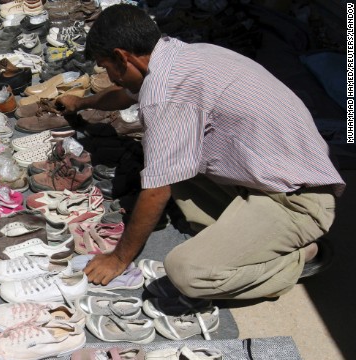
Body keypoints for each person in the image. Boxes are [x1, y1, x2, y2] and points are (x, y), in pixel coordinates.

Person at [56, 4, 345, 300]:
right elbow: (125, 93)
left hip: (299, 201)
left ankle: (297, 256)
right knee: (168, 160)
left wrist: (118, 259)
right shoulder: (179, 55)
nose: (109, 76)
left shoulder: (164, 92)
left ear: (122, 56)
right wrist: (82, 103)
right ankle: (249, 237)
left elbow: (156, 190)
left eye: (106, 66)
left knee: (188, 272)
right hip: (278, 177)